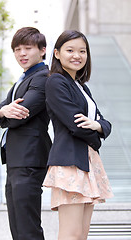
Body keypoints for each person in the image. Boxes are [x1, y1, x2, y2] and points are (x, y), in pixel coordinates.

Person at [43, 30, 113, 240]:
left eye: (82, 51)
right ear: (57, 53)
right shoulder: (56, 82)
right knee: (71, 234)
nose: (77, 55)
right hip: (70, 162)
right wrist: (96, 134)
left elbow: (105, 123)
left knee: (81, 234)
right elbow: (76, 125)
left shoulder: (82, 87)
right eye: (70, 50)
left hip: (86, 160)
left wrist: (98, 126)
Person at [0, 27, 52, 240]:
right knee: (17, 226)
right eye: (17, 49)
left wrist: (4, 113)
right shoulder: (23, 80)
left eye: (28, 48)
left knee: (27, 227)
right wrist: (1, 111)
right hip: (17, 159)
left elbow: (20, 114)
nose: (22, 54)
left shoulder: (43, 77)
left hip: (30, 158)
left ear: (43, 50)